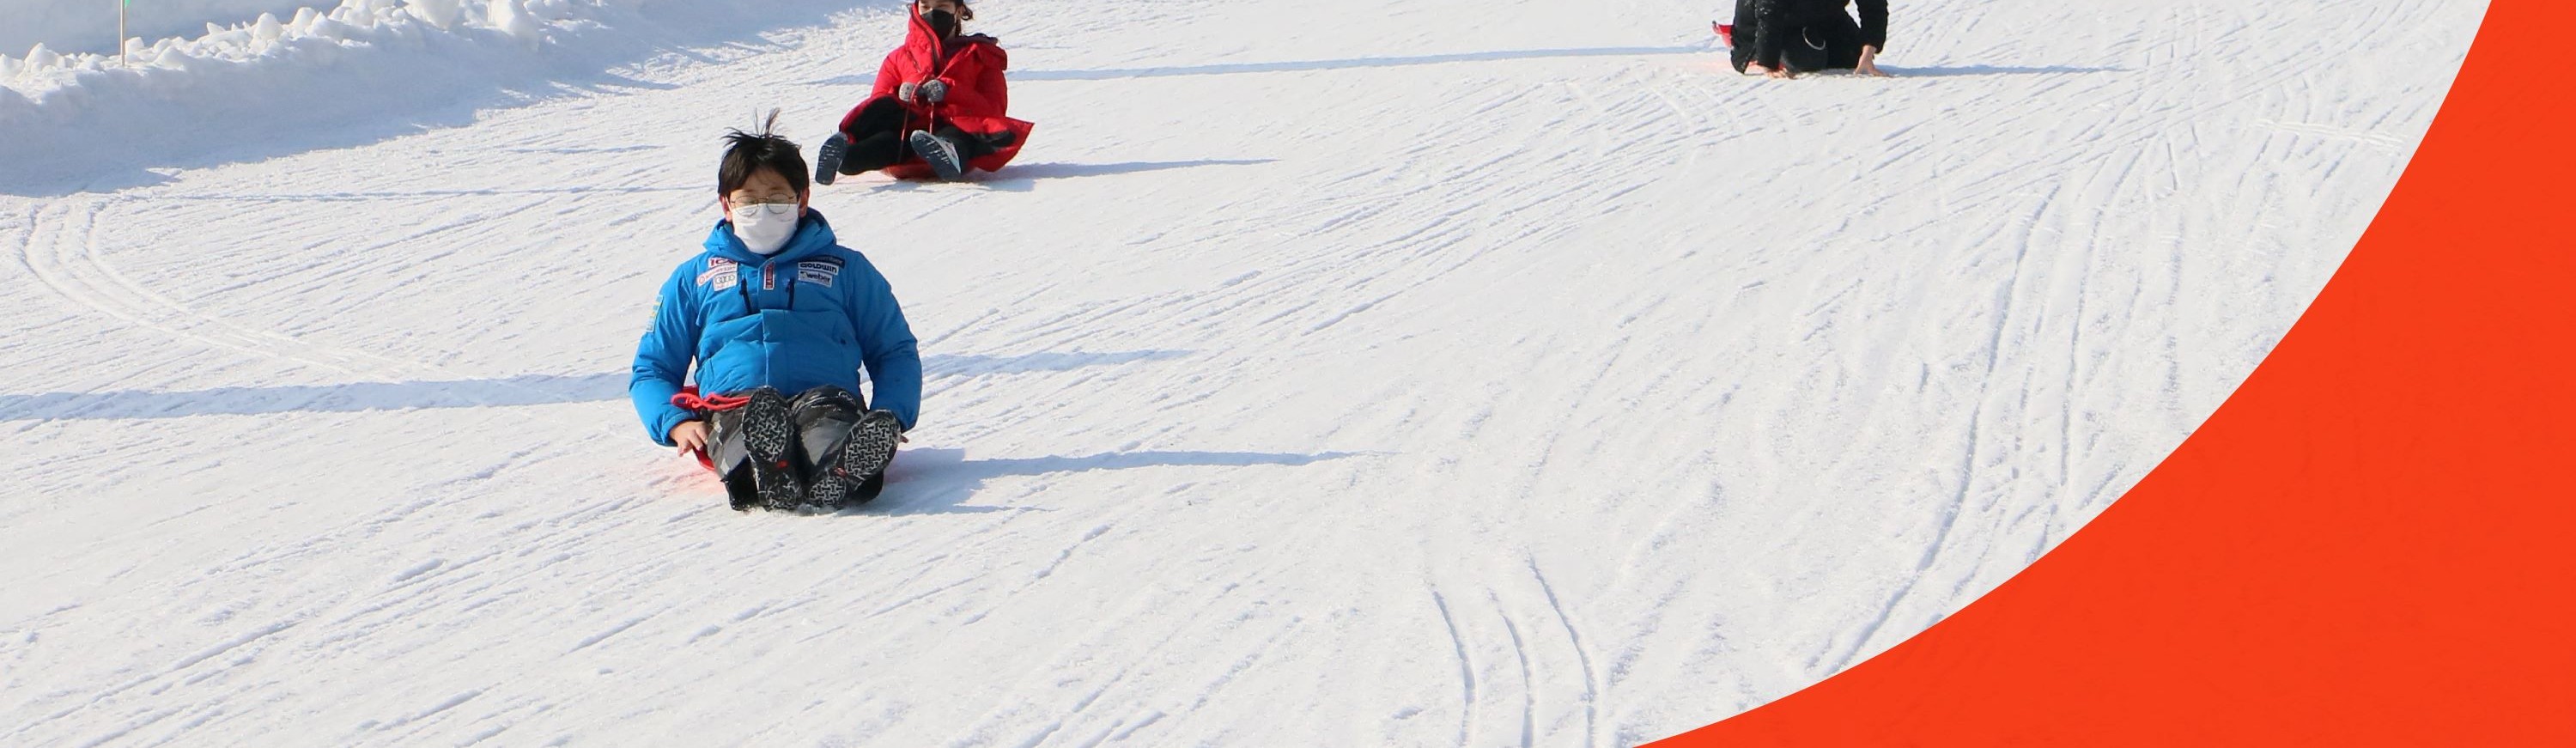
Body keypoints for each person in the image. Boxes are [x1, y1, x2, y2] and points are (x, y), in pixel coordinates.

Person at [632, 114, 924, 511]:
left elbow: (893, 350)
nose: (762, 210)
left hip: (827, 396)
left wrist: (892, 411)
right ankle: (764, 472)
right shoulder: (693, 278)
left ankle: (842, 468)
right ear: (726, 205)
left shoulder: (847, 269)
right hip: (736, 403)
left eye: (776, 198)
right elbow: (652, 367)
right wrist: (674, 421)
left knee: (828, 432)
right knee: (742, 434)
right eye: (749, 200)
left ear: (802, 200)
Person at [814, 0, 1036, 182]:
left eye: (942, 7)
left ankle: (947, 156)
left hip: (957, 125)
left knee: (955, 136)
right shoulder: (899, 58)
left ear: (958, 11)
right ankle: (845, 158)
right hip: (907, 130)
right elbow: (878, 99)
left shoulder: (979, 56)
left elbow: (994, 108)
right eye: (926, 7)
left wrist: (949, 91)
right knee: (885, 142)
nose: (933, 13)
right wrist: (899, 94)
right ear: (916, 9)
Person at [1726, 0, 1889, 78]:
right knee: (1809, 60)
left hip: (1820, 16)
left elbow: (1874, 7)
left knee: (1852, 56)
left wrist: (1868, 50)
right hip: (1768, 24)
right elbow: (1769, 13)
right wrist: (1768, 63)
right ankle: (1756, 53)